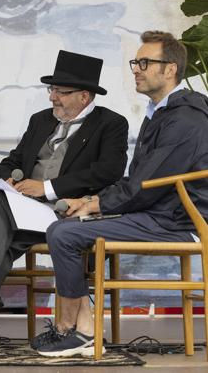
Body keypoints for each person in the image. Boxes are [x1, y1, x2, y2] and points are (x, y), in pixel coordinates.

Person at [0, 50, 129, 351]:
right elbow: (13, 159)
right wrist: (8, 178)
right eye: (51, 90)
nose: (53, 98)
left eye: (61, 92)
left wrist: (47, 187)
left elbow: (109, 171)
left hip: (69, 211)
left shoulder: (111, 124)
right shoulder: (40, 121)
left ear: (84, 97)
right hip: (25, 209)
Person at [36, 31, 208, 358]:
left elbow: (148, 183)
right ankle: (82, 326)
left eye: (145, 62)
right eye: (135, 62)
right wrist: (90, 204)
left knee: (64, 233)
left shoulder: (185, 119)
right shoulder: (163, 112)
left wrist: (96, 203)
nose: (136, 69)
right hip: (158, 214)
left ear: (170, 69)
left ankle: (76, 330)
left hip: (175, 222)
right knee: (69, 223)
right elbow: (141, 180)